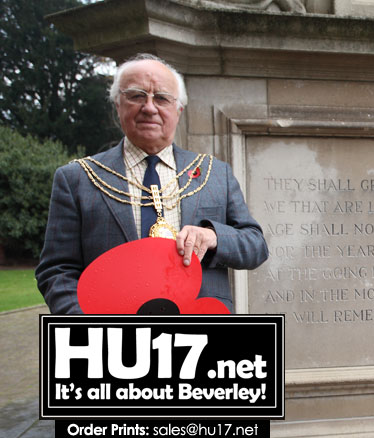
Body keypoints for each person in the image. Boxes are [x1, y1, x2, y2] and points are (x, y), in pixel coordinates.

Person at [36, 53, 268, 314]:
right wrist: (88, 323)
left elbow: (255, 246)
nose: (149, 107)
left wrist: (213, 236)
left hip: (201, 333)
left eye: (161, 98)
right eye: (136, 95)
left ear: (178, 110)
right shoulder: (78, 178)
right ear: (118, 105)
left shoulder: (214, 173)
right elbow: (56, 270)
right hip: (114, 338)